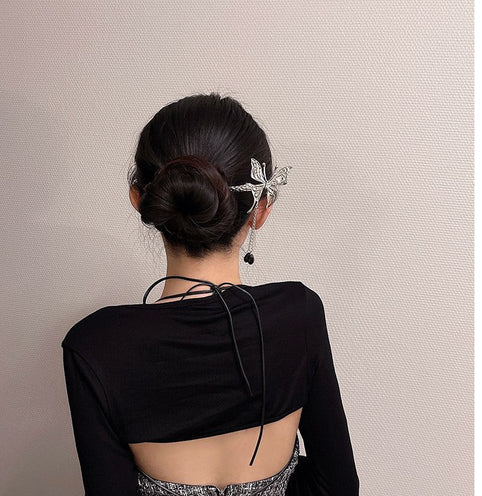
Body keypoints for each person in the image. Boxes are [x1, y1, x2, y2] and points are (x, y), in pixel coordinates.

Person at [61, 92, 360, 495]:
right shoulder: (298, 315)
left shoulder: (95, 346)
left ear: (140, 199)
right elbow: (337, 486)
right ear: (261, 209)